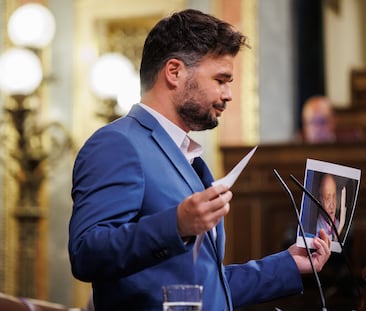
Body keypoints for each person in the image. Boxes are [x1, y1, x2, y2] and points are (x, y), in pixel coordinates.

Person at [68, 9, 331, 311]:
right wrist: (177, 223)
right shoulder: (117, 143)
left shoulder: (189, 158)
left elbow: (205, 289)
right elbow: (86, 253)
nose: (229, 94)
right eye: (221, 79)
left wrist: (287, 265)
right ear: (175, 72)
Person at [316, 174, 346, 241]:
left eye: (334, 196)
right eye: (327, 198)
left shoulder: (338, 223)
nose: (332, 205)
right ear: (320, 199)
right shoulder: (316, 228)